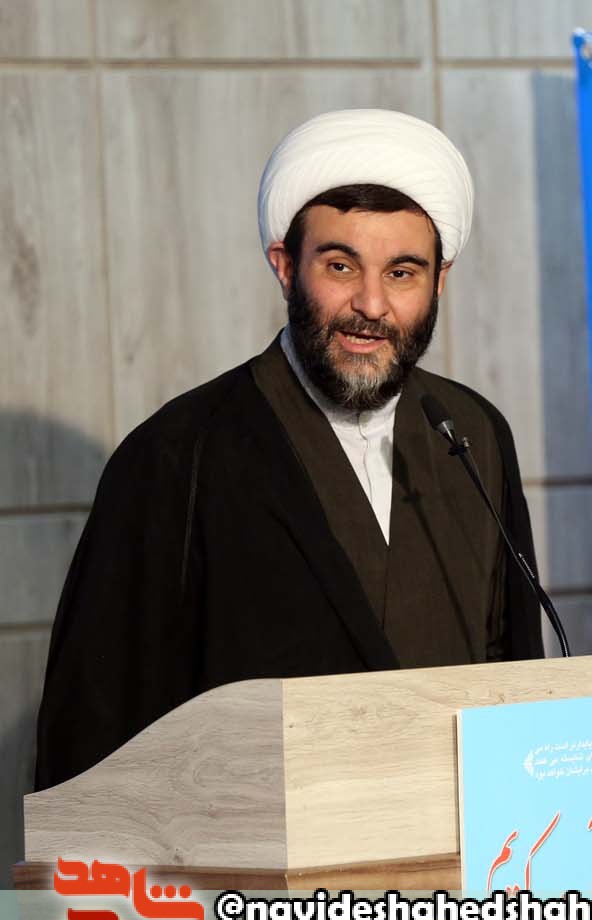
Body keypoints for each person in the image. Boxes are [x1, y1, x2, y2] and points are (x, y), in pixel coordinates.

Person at [30, 108, 544, 793]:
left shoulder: (471, 432)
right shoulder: (177, 455)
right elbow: (96, 728)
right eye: (341, 266)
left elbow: (513, 677)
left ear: (439, 281)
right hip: (246, 852)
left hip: (450, 846)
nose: (371, 305)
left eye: (402, 272)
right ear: (284, 266)